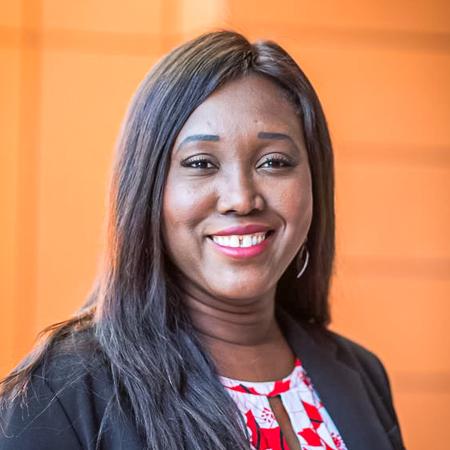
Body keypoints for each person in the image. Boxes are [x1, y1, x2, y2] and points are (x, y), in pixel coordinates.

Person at [0, 30, 405, 450]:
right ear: (147, 189)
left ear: (314, 182)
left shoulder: (362, 375)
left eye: (274, 162)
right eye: (200, 163)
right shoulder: (62, 392)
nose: (241, 198)